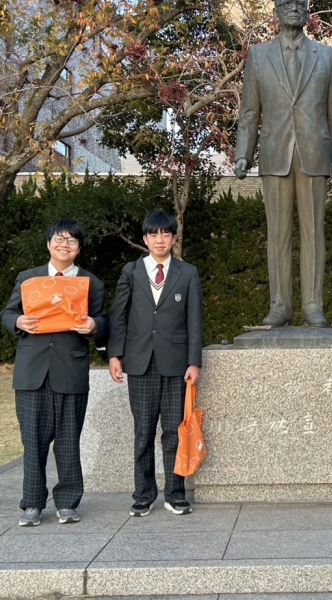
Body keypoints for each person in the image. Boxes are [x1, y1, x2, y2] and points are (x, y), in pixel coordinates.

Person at [233, 0, 332, 328]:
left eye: (300, 3)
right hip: (273, 153)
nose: (294, 8)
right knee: (278, 234)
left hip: (316, 153)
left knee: (314, 233)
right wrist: (243, 154)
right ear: (276, 12)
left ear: (309, 12)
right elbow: (250, 111)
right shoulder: (258, 55)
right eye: (287, 3)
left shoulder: (326, 56)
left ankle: (313, 305)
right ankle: (280, 305)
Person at [1, 219, 107, 527]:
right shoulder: (28, 278)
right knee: (32, 441)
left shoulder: (91, 282)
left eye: (72, 241)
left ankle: (68, 502)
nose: (65, 245)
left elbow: (102, 319)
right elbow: (8, 313)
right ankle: (32, 504)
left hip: (70, 370)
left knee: (69, 440)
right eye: (59, 240)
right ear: (48, 244)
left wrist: (94, 326)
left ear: (79, 248)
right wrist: (18, 322)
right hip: (32, 372)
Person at [107, 211, 203, 517]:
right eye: (153, 235)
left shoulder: (187, 273)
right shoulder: (131, 272)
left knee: (175, 431)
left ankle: (175, 493)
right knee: (143, 431)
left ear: (174, 238)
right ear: (145, 239)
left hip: (177, 366)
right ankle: (144, 494)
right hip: (140, 363)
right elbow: (118, 317)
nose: (159, 240)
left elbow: (194, 322)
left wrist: (194, 361)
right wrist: (114, 355)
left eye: (165, 234)